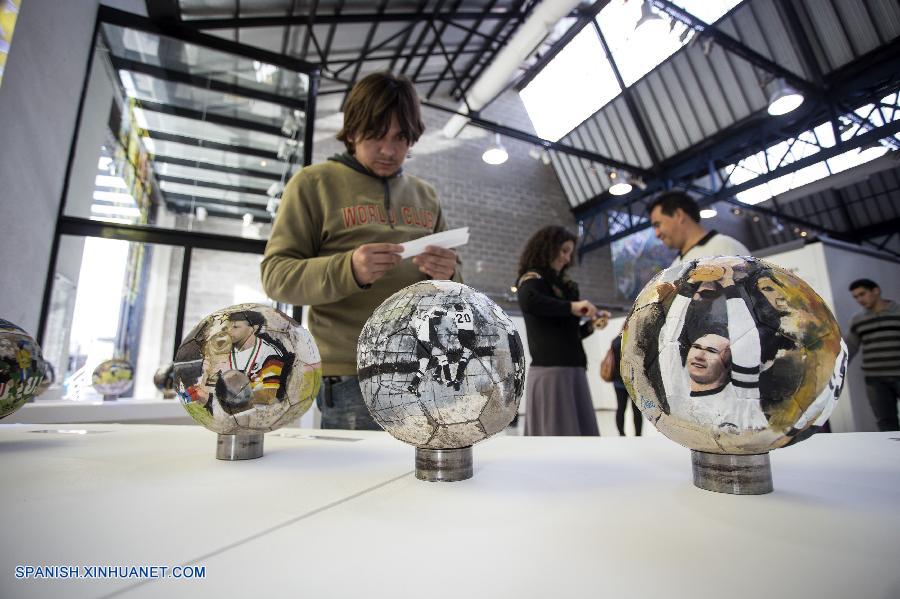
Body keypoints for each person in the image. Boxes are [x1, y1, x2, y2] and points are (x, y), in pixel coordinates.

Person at [261, 72, 461, 430]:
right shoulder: (313, 184)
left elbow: (458, 288)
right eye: (376, 135)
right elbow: (276, 277)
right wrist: (348, 269)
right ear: (352, 130)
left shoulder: (426, 195)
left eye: (401, 137)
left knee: (433, 484)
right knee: (364, 483)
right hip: (354, 375)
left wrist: (449, 275)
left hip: (430, 368)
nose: (389, 150)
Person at [516, 226, 609, 436]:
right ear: (548, 248)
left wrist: (592, 324)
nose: (567, 258)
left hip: (573, 369)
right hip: (552, 373)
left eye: (570, 252)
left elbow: (571, 334)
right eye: (564, 250)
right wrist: (573, 307)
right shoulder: (533, 279)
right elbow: (529, 301)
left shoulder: (565, 286)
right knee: (556, 439)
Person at [658, 261, 768, 433]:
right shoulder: (676, 390)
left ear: (728, 360)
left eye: (711, 351)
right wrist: (689, 285)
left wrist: (729, 285)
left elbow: (747, 340)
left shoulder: (742, 398)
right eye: (697, 347)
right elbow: (669, 338)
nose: (699, 355)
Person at [846, 278, 900, 431]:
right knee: (885, 422)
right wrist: (835, 370)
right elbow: (850, 347)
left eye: (862, 294)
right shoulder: (857, 319)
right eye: (855, 297)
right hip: (875, 380)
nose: (859, 300)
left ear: (876, 291)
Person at [648, 190, 749, 265]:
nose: (657, 234)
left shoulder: (724, 247)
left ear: (678, 215)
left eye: (657, 225)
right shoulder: (675, 265)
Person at [609, 332, 642, 436]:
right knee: (636, 410)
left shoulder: (615, 341)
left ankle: (621, 433)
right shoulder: (635, 341)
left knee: (621, 408)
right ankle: (638, 434)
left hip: (618, 382)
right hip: (633, 382)